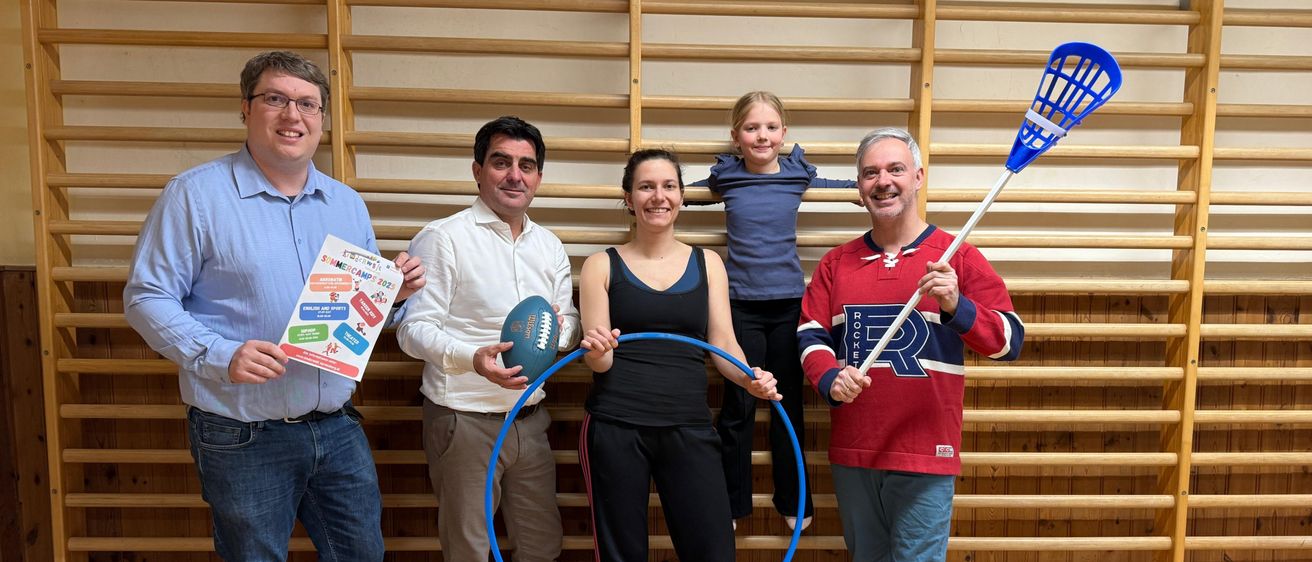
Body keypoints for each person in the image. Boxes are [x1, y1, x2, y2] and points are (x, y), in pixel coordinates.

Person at [123, 51, 426, 561]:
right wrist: (220, 354)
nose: (293, 115)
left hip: (337, 426)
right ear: (246, 108)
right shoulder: (194, 196)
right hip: (240, 435)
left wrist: (391, 297)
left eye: (308, 104)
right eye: (276, 99)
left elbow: (359, 312)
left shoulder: (346, 203)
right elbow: (146, 297)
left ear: (322, 120)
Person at [797, 127, 1025, 562]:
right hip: (855, 451)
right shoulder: (835, 263)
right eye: (870, 173)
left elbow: (1010, 340)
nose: (883, 181)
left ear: (918, 176)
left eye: (895, 169)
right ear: (860, 186)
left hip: (925, 453)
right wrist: (830, 378)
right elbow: (811, 334)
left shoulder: (955, 256)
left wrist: (957, 304)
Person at [577, 148, 782, 562]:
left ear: (682, 196)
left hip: (688, 423)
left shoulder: (708, 264)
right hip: (617, 424)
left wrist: (748, 377)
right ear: (628, 198)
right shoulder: (599, 265)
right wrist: (598, 352)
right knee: (621, 554)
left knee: (712, 550)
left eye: (669, 186)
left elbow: (723, 341)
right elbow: (599, 361)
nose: (659, 196)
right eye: (646, 187)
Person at [396, 116, 580, 562]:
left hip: (530, 419)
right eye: (501, 162)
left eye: (527, 165)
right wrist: (471, 358)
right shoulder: (444, 238)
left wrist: (562, 331)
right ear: (477, 170)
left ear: (538, 176)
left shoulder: (549, 245)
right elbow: (411, 329)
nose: (515, 175)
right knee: (471, 550)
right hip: (463, 420)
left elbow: (568, 321)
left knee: (542, 546)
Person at [691, 91, 855, 531]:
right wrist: (653, 192)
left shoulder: (795, 176)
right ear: (736, 137)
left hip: (787, 306)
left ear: (784, 133)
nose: (761, 135)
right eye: (751, 128)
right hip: (739, 305)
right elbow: (682, 192)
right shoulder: (727, 179)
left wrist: (864, 190)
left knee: (787, 404)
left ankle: (793, 499)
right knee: (739, 404)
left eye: (769, 127)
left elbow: (835, 188)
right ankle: (731, 503)